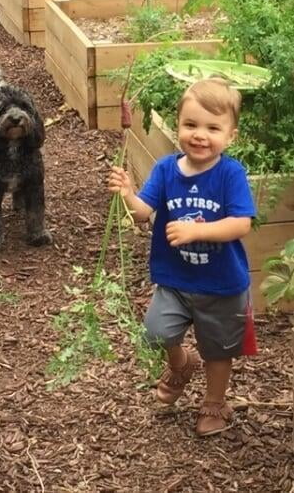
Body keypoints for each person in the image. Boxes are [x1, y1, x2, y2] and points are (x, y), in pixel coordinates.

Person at [108, 77, 257, 436]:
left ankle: (215, 404)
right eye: (190, 125)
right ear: (178, 127)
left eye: (212, 127)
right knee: (156, 333)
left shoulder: (229, 174)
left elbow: (241, 224)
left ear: (230, 136)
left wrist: (196, 230)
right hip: (175, 279)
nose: (199, 135)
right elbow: (143, 212)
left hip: (221, 285)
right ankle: (181, 363)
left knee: (218, 351)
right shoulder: (164, 169)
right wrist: (128, 194)